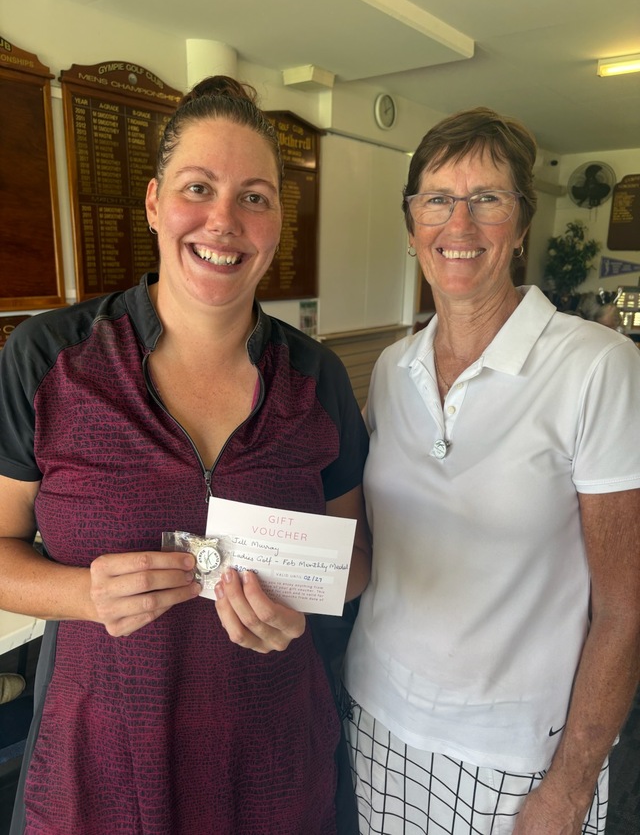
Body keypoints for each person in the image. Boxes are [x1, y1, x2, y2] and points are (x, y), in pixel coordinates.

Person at [0, 75, 371, 835]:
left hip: (273, 763)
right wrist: (84, 595)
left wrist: (295, 603)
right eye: (198, 188)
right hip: (101, 764)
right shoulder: (51, 358)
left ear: (277, 222)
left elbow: (356, 560)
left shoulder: (316, 379)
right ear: (153, 202)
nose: (223, 221)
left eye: (254, 197)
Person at [342, 107, 640, 834]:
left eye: (487, 198)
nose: (460, 223)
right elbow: (371, 546)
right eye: (437, 199)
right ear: (411, 225)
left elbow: (625, 608)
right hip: (376, 714)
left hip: (517, 753)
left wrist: (570, 787)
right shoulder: (392, 369)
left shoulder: (597, 367)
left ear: (523, 222)